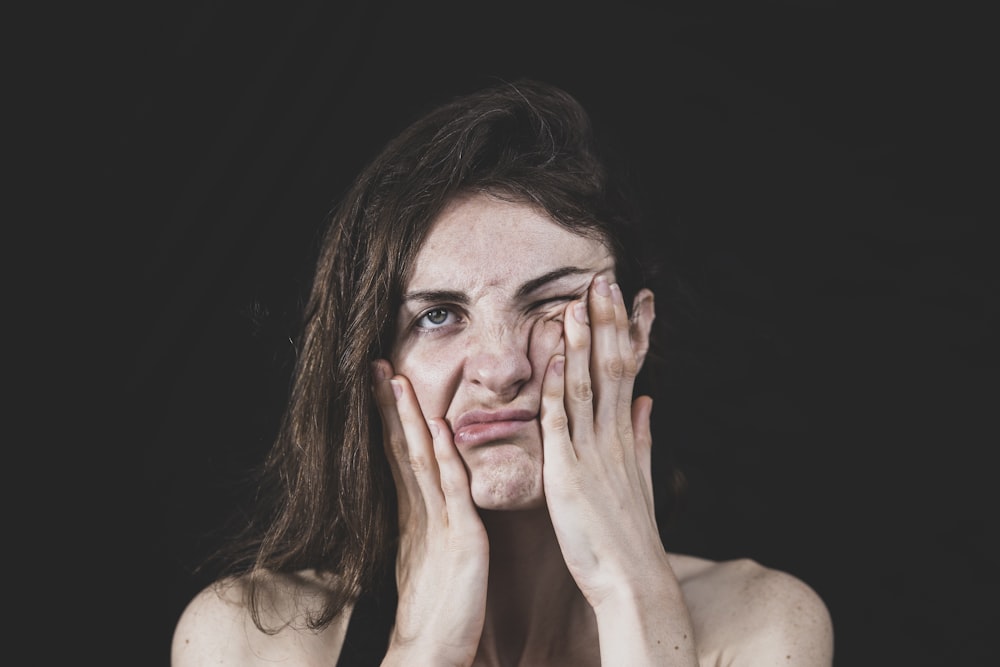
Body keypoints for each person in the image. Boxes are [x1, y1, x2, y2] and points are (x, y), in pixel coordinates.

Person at [171, 78, 834, 666]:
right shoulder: (253, 638)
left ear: (633, 335)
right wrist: (424, 647)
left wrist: (634, 593)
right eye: (436, 315)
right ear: (372, 361)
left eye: (551, 303)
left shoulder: (760, 623)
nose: (501, 368)